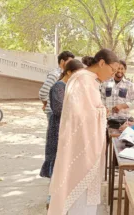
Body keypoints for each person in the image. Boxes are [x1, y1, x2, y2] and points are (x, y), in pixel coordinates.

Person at [47, 49, 119, 215]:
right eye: (112, 70)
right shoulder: (83, 80)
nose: (112, 74)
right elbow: (79, 115)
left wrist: (99, 111)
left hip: (82, 144)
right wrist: (102, 112)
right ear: (101, 63)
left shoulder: (88, 80)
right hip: (80, 147)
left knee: (85, 198)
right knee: (78, 197)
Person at [40, 59, 84, 210]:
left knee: (64, 160)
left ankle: (61, 194)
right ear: (69, 72)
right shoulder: (58, 87)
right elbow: (59, 110)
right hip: (58, 128)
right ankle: (52, 198)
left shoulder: (72, 87)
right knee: (56, 160)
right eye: (77, 75)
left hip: (68, 129)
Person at [39, 51, 75, 122]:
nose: (71, 64)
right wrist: (46, 103)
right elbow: (43, 92)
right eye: (70, 62)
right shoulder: (55, 74)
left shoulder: (65, 75)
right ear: (62, 61)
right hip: (53, 112)